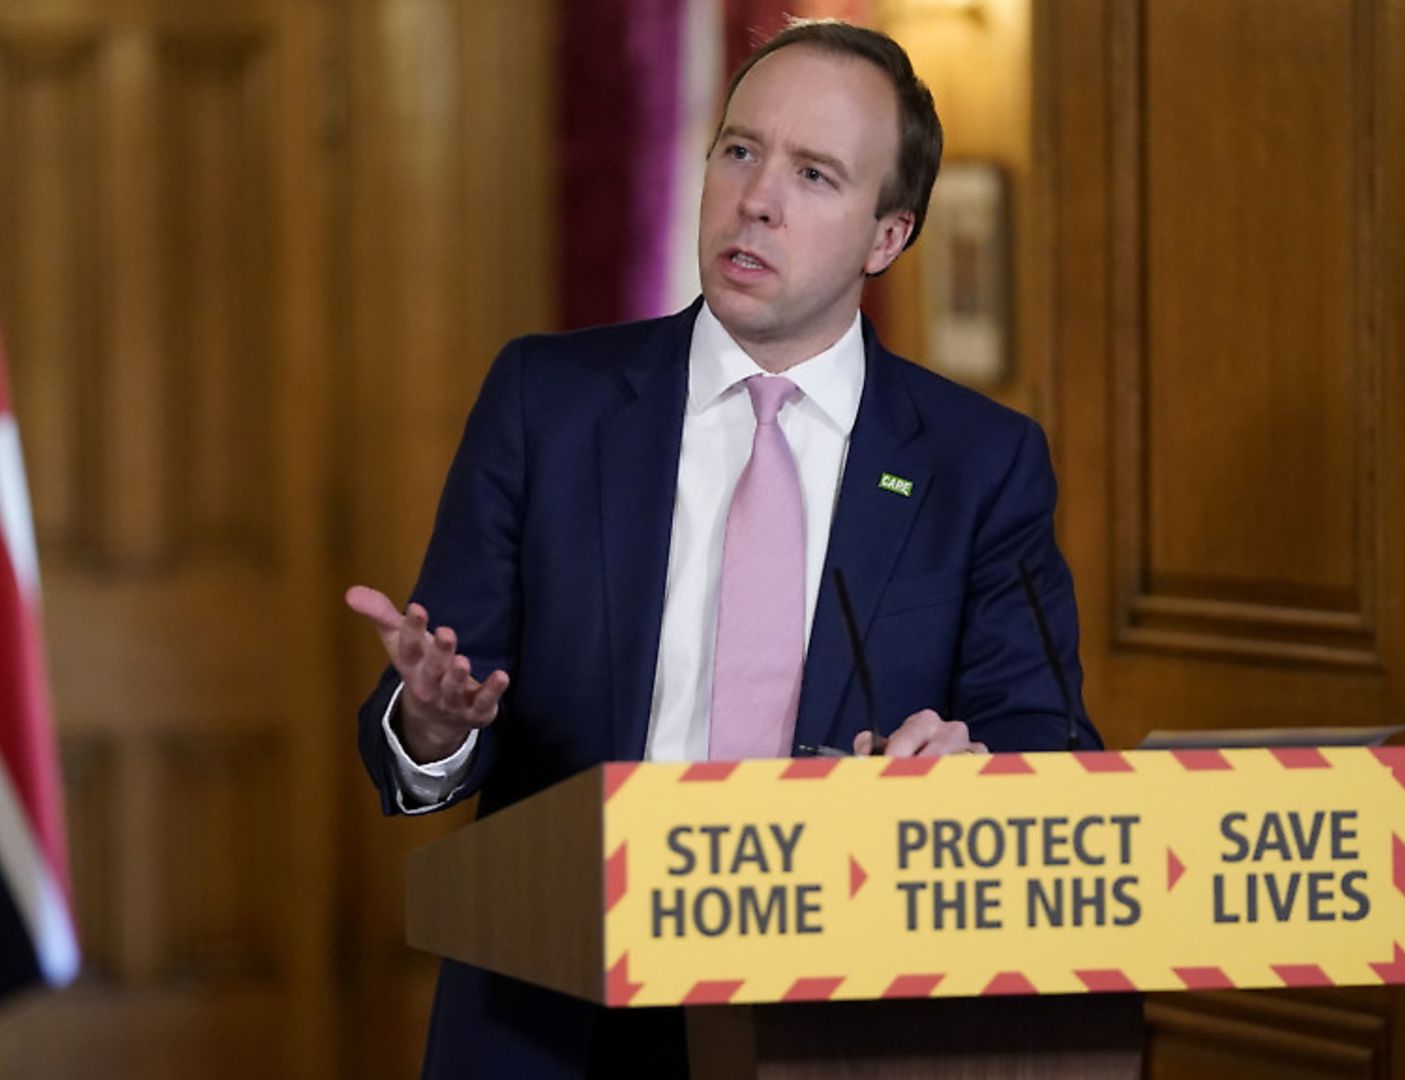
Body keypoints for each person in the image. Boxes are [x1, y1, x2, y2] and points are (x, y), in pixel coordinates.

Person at [348, 20, 1100, 1079]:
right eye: (740, 150)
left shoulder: (982, 465)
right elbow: (436, 702)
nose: (757, 198)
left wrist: (972, 773)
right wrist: (431, 721)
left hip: (844, 1021)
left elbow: (1054, 746)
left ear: (888, 238)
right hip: (560, 1015)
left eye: (815, 174)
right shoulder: (547, 402)